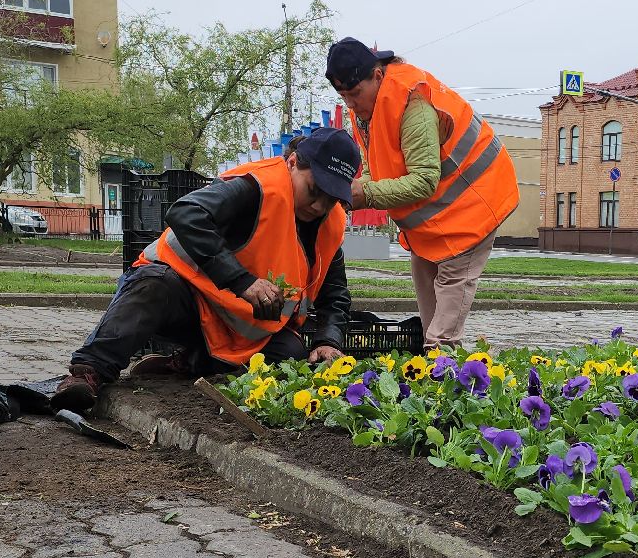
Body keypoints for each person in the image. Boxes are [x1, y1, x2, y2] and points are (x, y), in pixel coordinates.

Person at [51, 127, 361, 412]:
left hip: (239, 332)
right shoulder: (255, 189)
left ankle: (188, 364)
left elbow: (335, 296)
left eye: (331, 197)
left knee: (291, 352)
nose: (319, 205)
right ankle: (87, 374)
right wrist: (242, 281)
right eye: (314, 189)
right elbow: (186, 213)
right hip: (183, 300)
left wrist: (328, 341)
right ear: (293, 162)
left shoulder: (328, 227)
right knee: (152, 285)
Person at [327, 37, 519, 349]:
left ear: (377, 75)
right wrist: (355, 187)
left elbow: (424, 180)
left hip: (478, 199)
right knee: (424, 273)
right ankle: (436, 360)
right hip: (440, 213)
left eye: (355, 93)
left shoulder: (411, 105)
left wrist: (367, 194)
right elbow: (380, 164)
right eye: (343, 95)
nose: (350, 103)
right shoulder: (370, 108)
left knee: (451, 290)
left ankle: (441, 359)